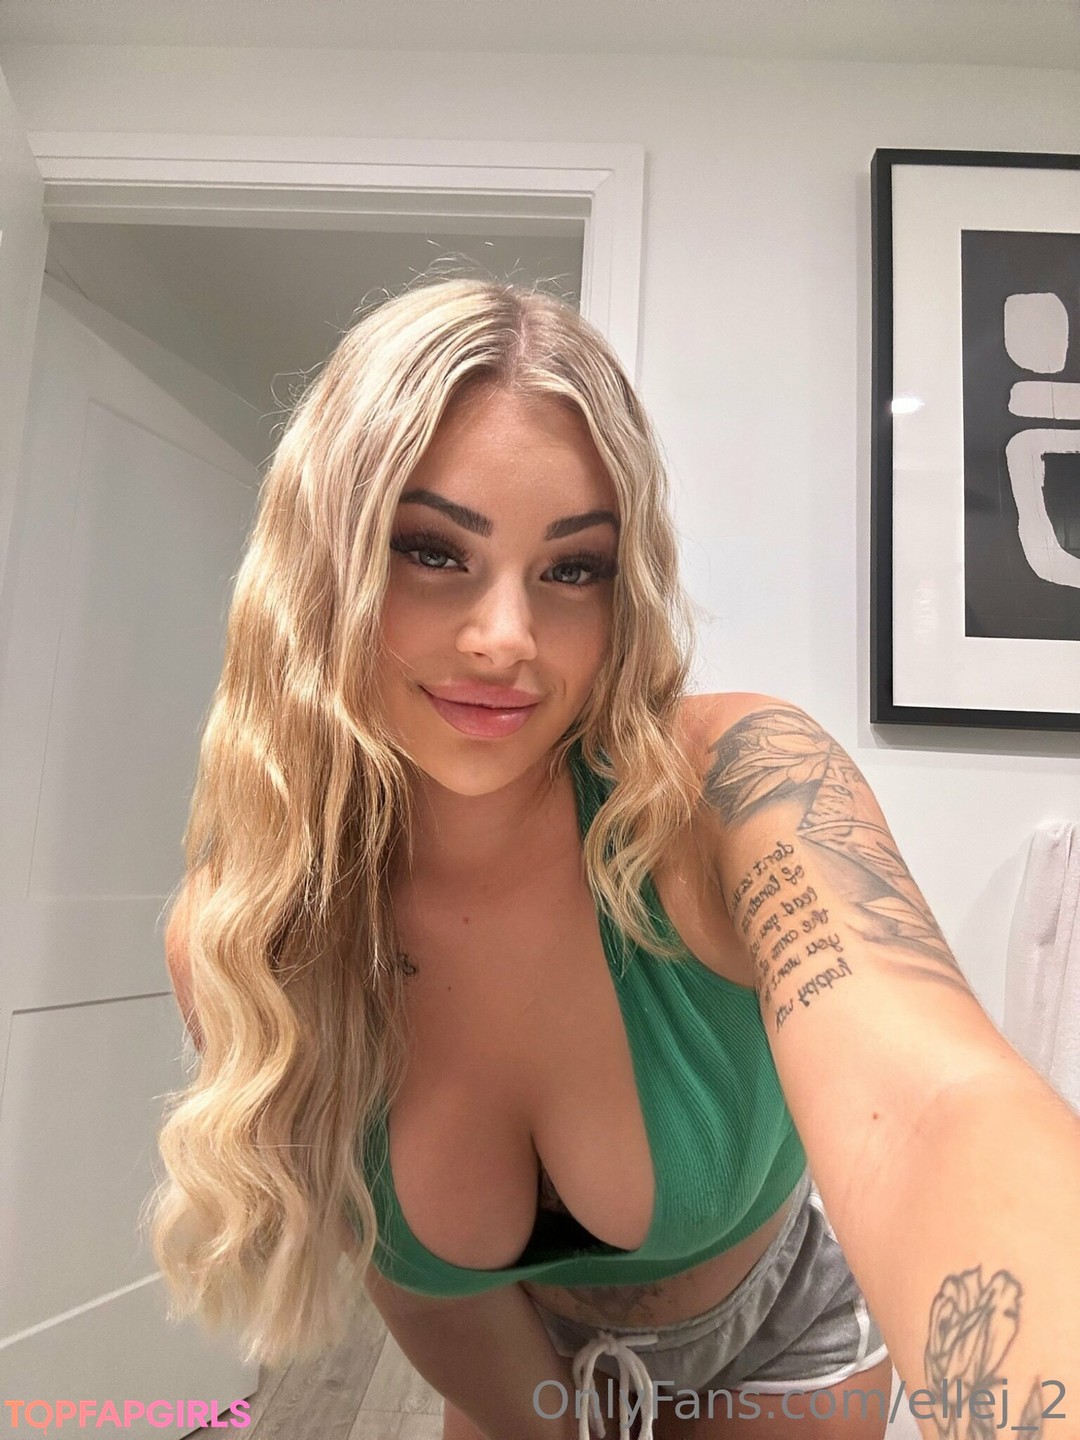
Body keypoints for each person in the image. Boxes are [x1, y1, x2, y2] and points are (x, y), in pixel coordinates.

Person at [155, 278, 1080, 1440]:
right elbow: (421, 1283)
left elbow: (937, 1108)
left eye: (572, 569)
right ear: (322, 571)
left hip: (785, 1344)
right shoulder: (247, 936)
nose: (506, 638)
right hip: (517, 1366)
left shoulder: (734, 793)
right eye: (433, 551)